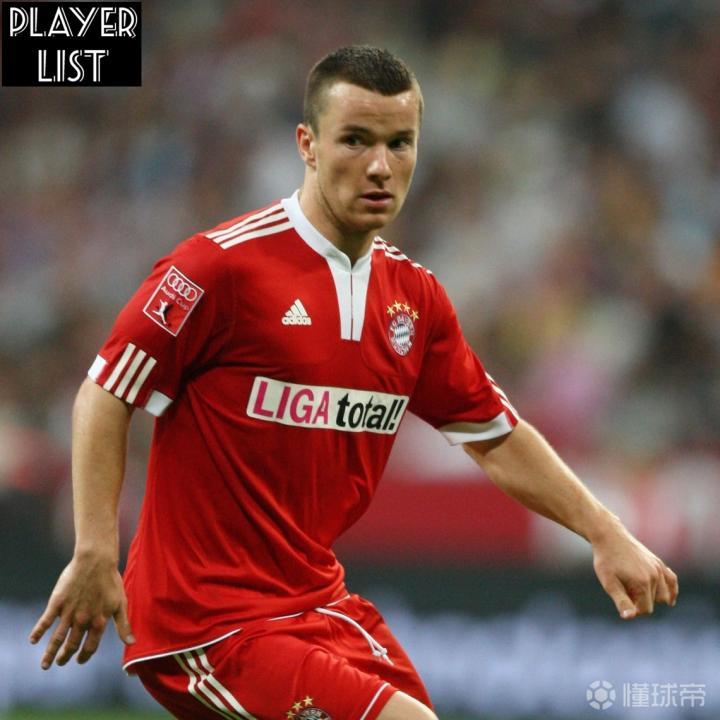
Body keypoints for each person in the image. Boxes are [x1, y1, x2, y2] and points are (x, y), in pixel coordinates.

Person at [29, 45, 678, 720]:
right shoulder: (218, 269)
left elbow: (496, 436)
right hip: (207, 617)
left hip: (316, 604)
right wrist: (95, 551)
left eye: (400, 143)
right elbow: (105, 392)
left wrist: (604, 531)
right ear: (307, 145)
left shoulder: (415, 300)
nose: (380, 166)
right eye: (355, 140)